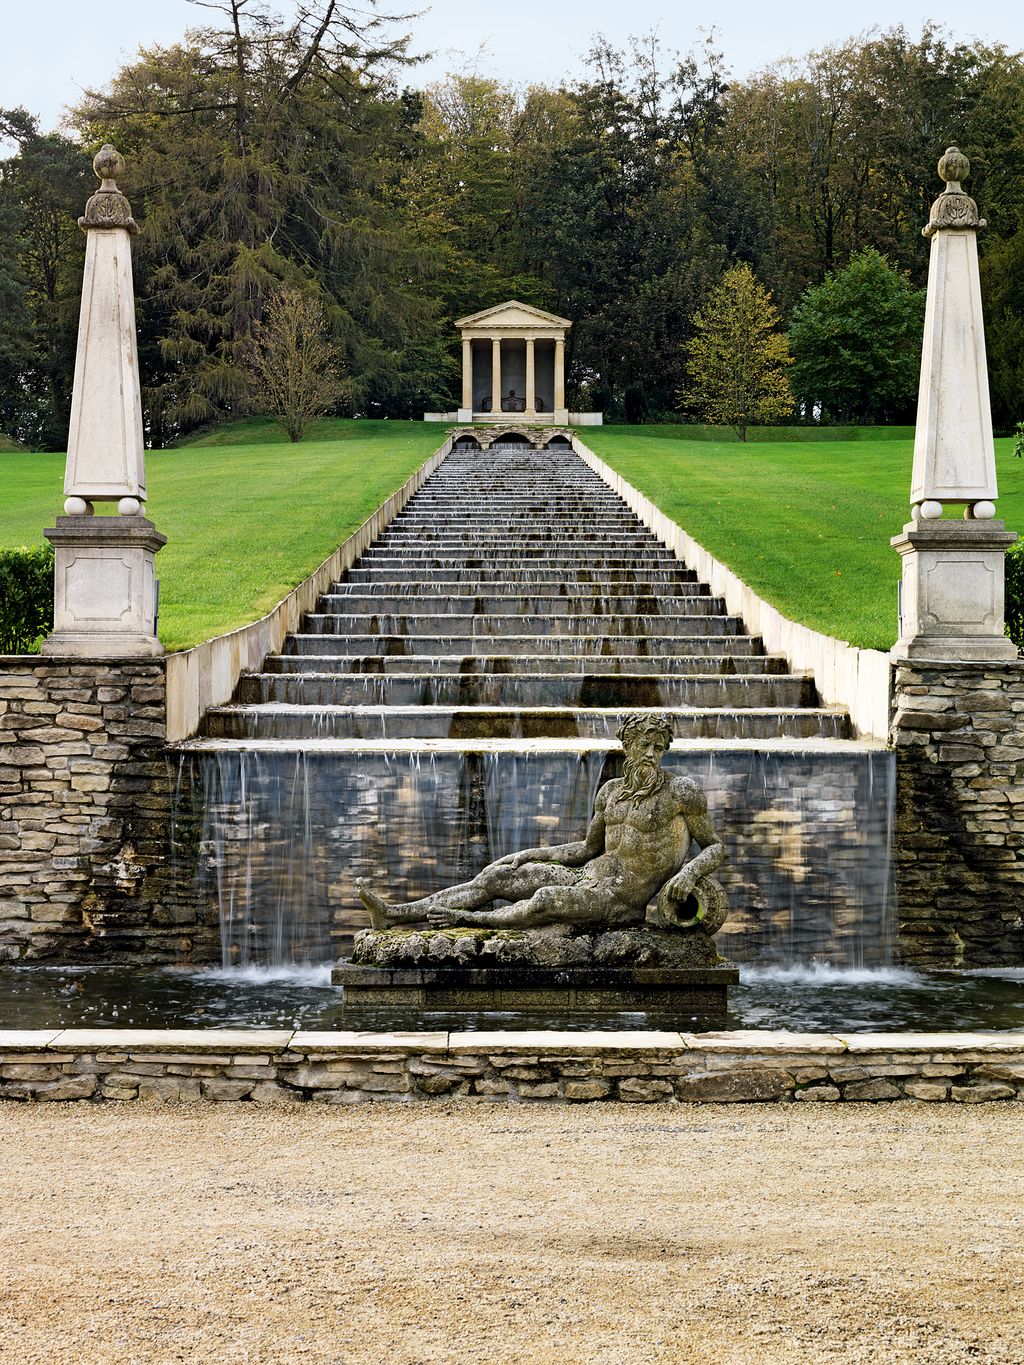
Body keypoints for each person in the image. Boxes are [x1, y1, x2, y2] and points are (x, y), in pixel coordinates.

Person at [356, 713, 724, 932]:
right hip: (589, 875)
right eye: (644, 745)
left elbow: (715, 846)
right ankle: (393, 914)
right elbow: (586, 849)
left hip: (619, 900)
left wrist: (688, 873)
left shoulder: (681, 792)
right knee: (498, 876)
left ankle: (464, 921)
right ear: (626, 744)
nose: (650, 754)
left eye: (659, 748)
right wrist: (530, 852)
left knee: (545, 898)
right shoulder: (611, 792)